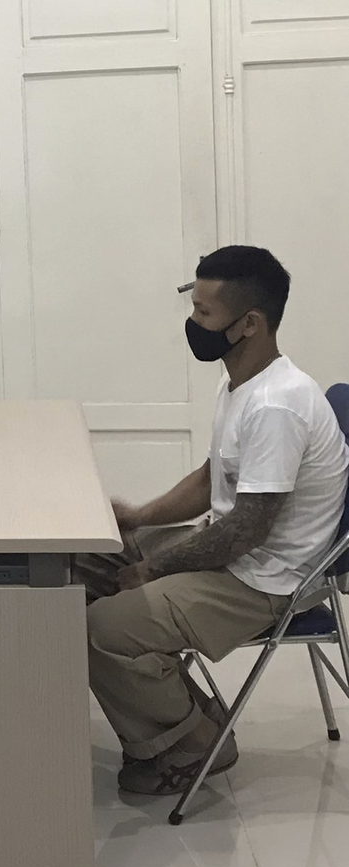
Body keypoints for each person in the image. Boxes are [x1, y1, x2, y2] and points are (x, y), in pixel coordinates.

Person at [78, 245, 348, 795]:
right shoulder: (241, 384)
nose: (194, 324)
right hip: (236, 550)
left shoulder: (277, 406)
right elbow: (211, 478)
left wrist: (152, 568)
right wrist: (138, 518)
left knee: (100, 630)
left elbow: (245, 530)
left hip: (265, 580)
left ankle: (195, 744)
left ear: (249, 324)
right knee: (87, 560)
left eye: (204, 313)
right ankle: (181, 709)